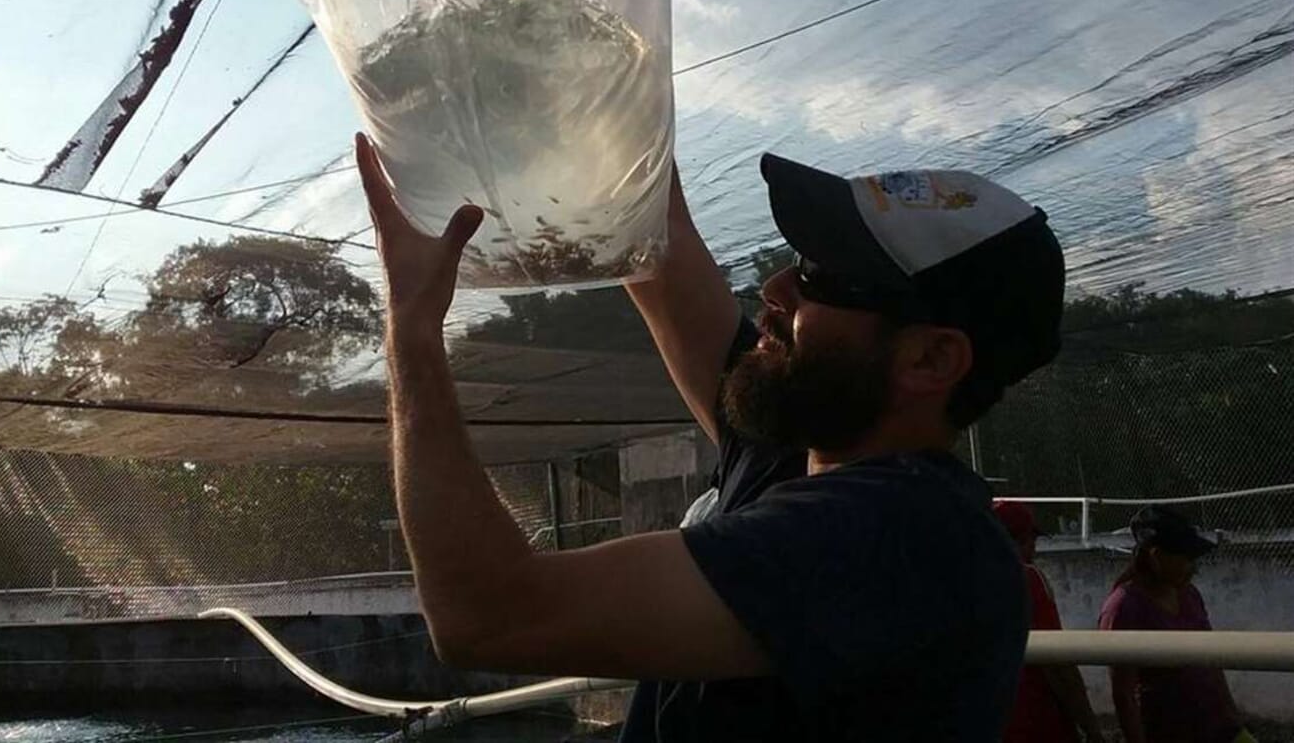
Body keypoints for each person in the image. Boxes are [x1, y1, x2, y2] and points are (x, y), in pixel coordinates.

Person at [355, 136, 1065, 741]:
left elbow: (489, 614)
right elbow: (655, 244)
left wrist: (413, 331)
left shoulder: (912, 543)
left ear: (930, 359)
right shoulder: (799, 456)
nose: (776, 286)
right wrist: (587, 77)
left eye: (824, 277)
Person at [1099, 505, 1254, 743]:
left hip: (1217, 728)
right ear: (1156, 556)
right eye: (1185, 558)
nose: (1193, 567)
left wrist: (1232, 716)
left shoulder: (1189, 595)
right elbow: (1124, 694)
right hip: (1170, 731)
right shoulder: (1124, 607)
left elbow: (1212, 660)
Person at [993, 500, 1105, 743]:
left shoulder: (955, 582)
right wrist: (1091, 728)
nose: (1033, 550)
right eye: (1030, 541)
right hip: (1036, 720)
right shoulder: (1026, 579)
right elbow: (1058, 663)